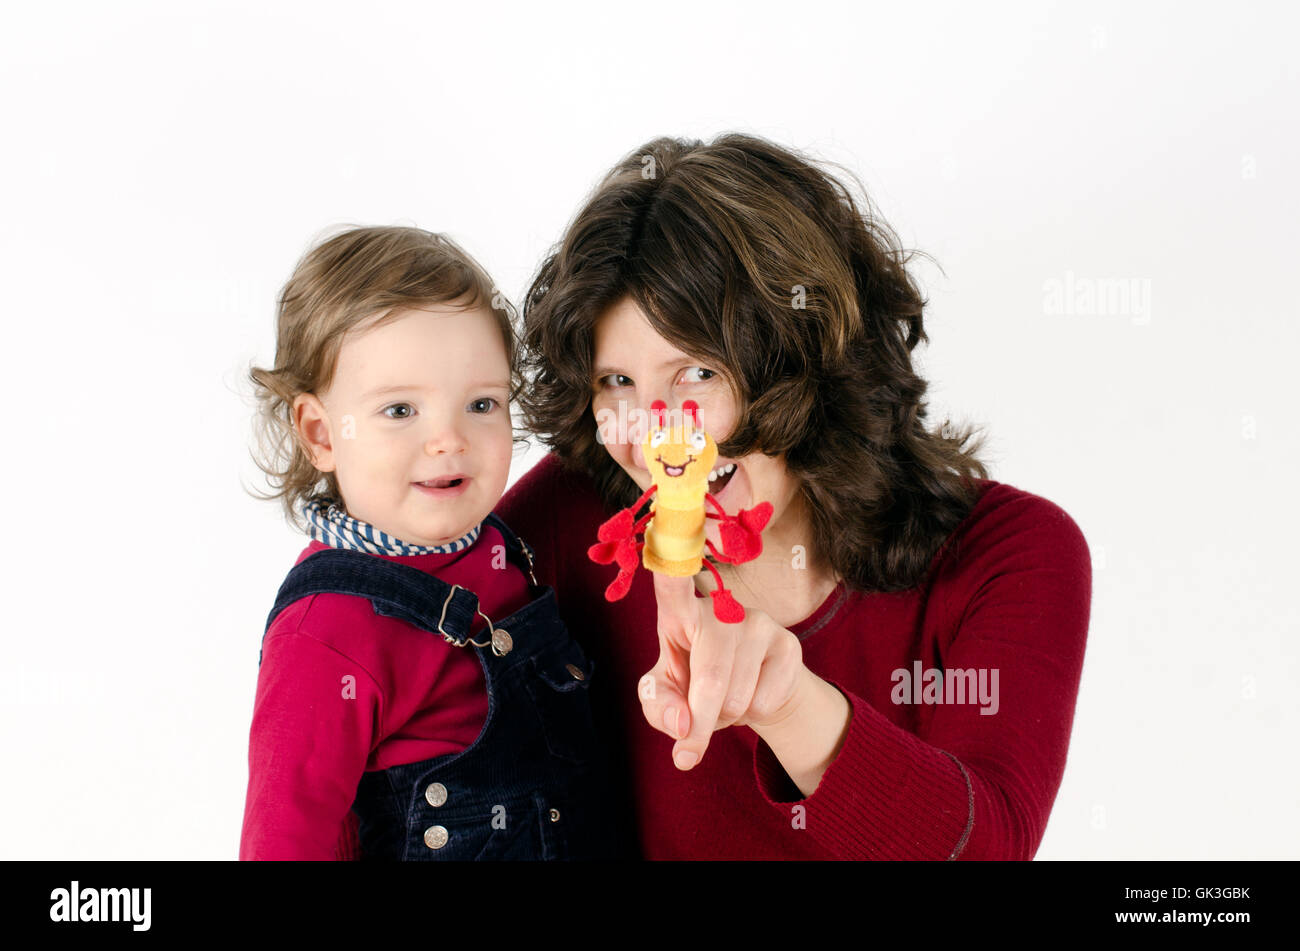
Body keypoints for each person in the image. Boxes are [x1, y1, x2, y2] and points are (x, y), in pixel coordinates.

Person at [496, 133, 1092, 860]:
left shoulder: (1013, 551)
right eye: (617, 381)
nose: (656, 438)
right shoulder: (573, 520)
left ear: (807, 362)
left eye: (698, 373)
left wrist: (784, 702)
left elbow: (988, 847)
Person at [240, 225, 612, 860]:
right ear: (321, 434)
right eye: (400, 411)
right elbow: (285, 841)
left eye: (481, 404)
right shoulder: (325, 633)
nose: (448, 440)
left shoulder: (504, 546)